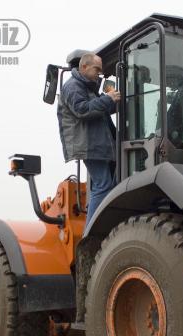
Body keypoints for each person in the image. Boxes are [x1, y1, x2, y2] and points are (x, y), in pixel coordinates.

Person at [57, 52, 121, 226]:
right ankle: (90, 232)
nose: (99, 74)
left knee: (109, 184)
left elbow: (98, 110)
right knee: (103, 185)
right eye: (97, 69)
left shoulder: (88, 88)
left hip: (98, 143)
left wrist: (112, 100)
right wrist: (107, 99)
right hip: (88, 144)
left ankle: (104, 225)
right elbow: (83, 110)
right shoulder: (72, 86)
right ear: (84, 67)